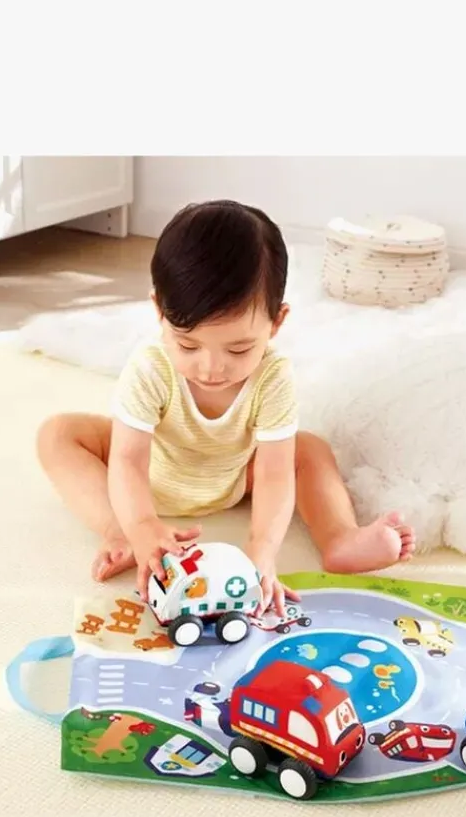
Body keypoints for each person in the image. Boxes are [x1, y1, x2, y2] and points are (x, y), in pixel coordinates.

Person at [37, 199, 415, 613]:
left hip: (233, 477)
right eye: (188, 345)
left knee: (310, 449)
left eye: (238, 349)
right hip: (149, 476)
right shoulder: (150, 367)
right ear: (159, 312)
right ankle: (118, 531)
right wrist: (140, 526)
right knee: (58, 434)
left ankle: (339, 536)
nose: (211, 368)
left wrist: (262, 550)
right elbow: (127, 460)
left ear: (277, 322)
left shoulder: (273, 377)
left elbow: (273, 473)